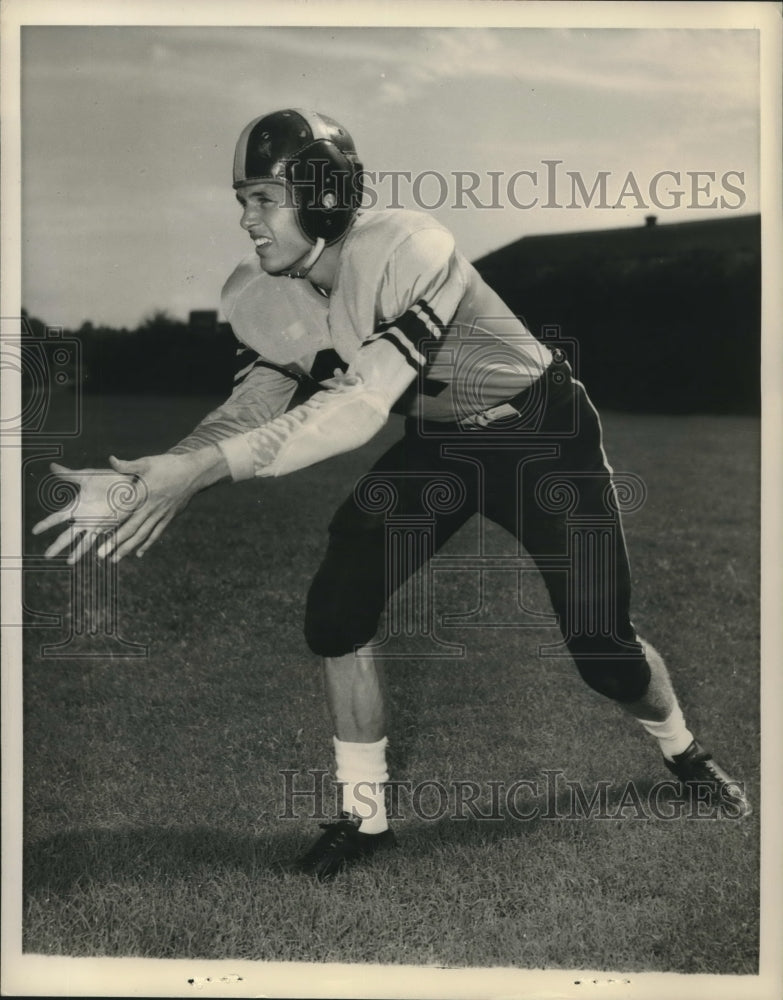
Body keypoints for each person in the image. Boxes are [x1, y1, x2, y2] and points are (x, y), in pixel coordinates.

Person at [33, 108, 750, 879]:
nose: (245, 219)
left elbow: (358, 408)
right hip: (444, 445)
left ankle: (683, 751)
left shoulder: (405, 247)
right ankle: (365, 819)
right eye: (240, 198)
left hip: (538, 434)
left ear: (325, 195)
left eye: (262, 198)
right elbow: (252, 408)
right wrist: (161, 469)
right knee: (337, 609)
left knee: (603, 654)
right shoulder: (262, 292)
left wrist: (198, 474)